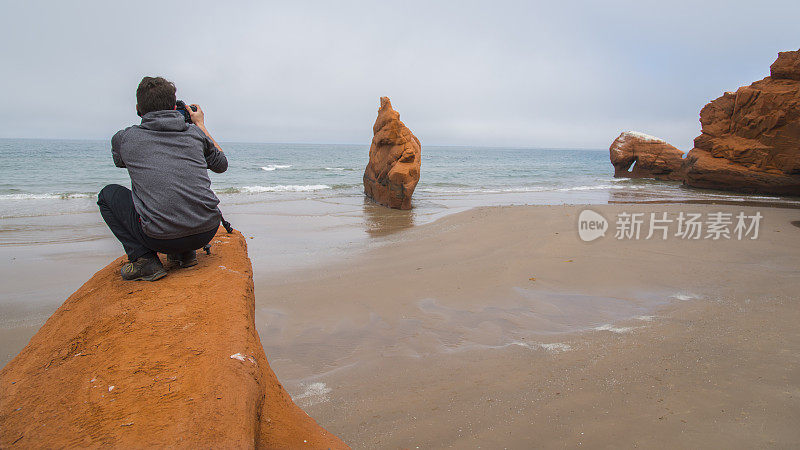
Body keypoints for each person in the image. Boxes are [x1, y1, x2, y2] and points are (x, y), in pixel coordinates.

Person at [97, 76, 228, 281]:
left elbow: (121, 162)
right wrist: (200, 125)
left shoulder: (125, 139)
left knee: (108, 195)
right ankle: (184, 255)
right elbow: (221, 165)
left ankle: (144, 260)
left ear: (138, 108)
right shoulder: (195, 133)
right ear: (174, 106)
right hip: (206, 231)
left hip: (160, 238)